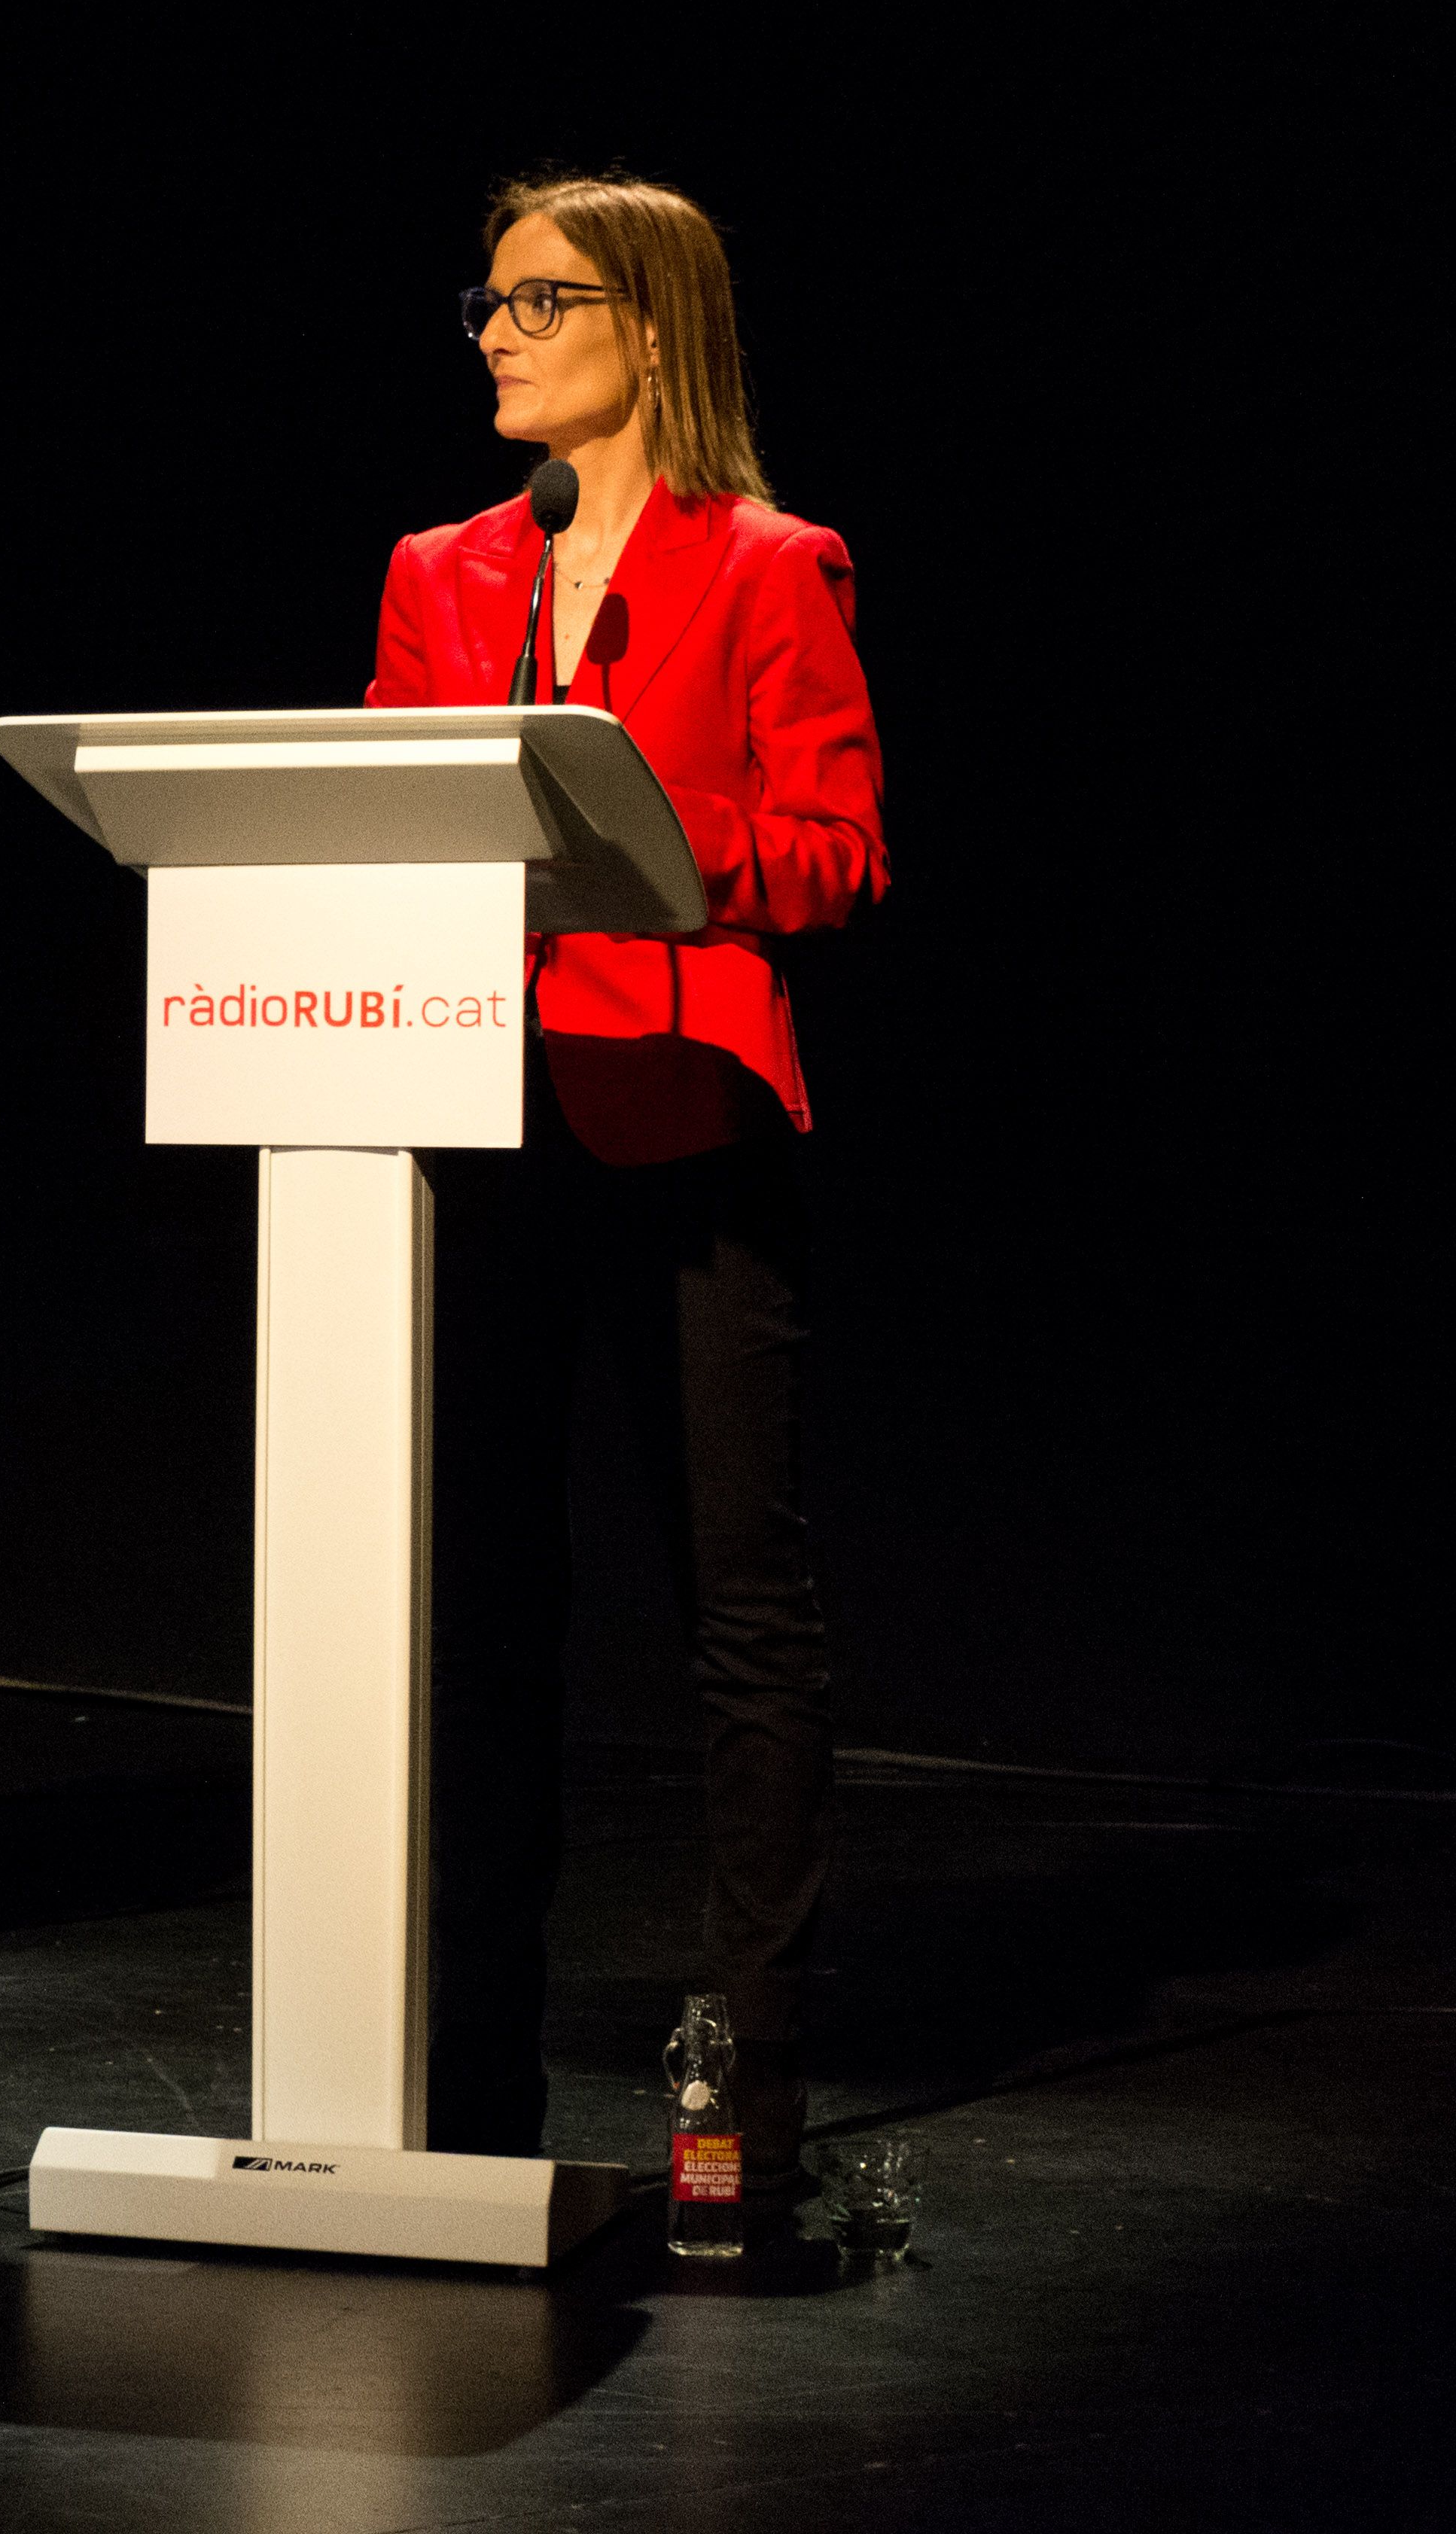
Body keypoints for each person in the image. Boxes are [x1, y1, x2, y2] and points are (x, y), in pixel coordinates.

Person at [368, 177, 887, 2175]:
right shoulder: (441, 570)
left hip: (683, 1111)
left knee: (739, 1608)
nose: (494, 334)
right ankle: (463, 2067)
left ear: (654, 328)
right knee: (486, 1609)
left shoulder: (772, 563)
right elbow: (380, 803)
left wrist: (650, 845)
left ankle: (755, 2066)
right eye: (484, 301)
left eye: (538, 300)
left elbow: (838, 849)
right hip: (482, 1121)